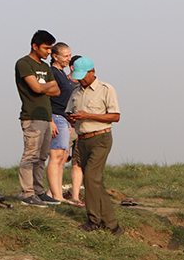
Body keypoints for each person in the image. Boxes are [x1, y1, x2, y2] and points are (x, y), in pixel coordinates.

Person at [64, 57, 121, 234]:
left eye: (83, 76)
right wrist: (71, 117)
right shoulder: (76, 92)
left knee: (90, 177)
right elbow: (68, 112)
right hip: (82, 139)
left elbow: (115, 116)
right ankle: (112, 226)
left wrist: (88, 115)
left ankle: (93, 220)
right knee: (96, 181)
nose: (80, 79)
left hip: (101, 138)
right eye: (78, 76)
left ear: (92, 72)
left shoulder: (106, 89)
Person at [15, 29, 61, 207]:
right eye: (46, 48)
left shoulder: (45, 67)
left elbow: (56, 91)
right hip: (31, 116)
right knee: (30, 156)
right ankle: (27, 193)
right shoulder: (24, 63)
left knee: (42, 157)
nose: (48, 52)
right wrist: (45, 86)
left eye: (50, 49)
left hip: (46, 117)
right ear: (35, 46)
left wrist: (44, 85)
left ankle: (39, 191)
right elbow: (36, 88)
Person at [46, 42, 83, 206]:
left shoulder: (61, 73)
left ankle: (58, 194)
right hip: (55, 117)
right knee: (55, 157)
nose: (69, 59)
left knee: (62, 157)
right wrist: (50, 120)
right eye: (66, 56)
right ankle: (55, 195)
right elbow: (46, 97)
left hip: (64, 118)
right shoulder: (52, 72)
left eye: (69, 55)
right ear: (55, 56)